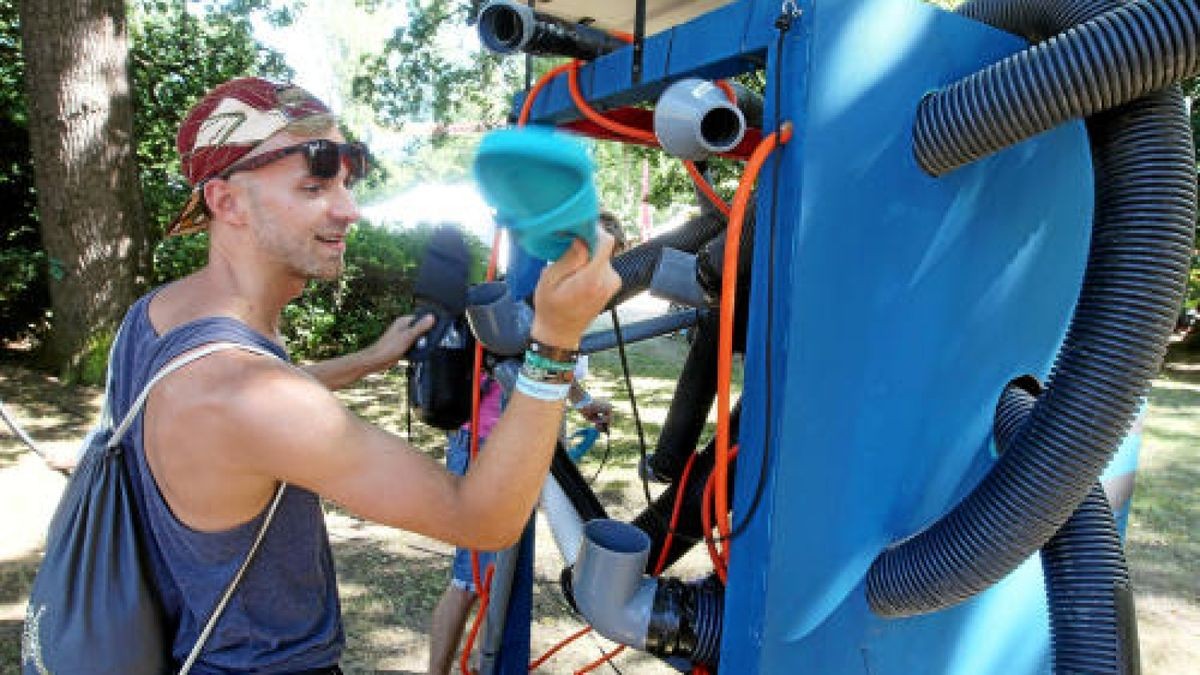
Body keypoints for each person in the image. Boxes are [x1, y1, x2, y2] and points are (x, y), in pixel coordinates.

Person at [104, 77, 620, 673]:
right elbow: (483, 520)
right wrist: (556, 342)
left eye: (346, 182)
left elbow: (251, 401)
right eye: (314, 185)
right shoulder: (252, 401)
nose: (349, 209)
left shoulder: (158, 318)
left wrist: (373, 358)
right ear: (226, 203)